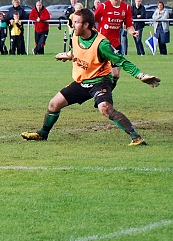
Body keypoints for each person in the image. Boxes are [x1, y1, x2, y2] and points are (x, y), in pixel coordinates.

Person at [21, 8, 160, 146]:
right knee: (54, 104)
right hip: (81, 82)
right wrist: (68, 55)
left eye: (76, 22)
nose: (73, 25)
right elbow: (76, 50)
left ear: (86, 25)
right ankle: (42, 134)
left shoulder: (102, 44)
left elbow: (121, 61)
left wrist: (141, 76)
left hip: (100, 81)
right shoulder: (75, 35)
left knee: (105, 108)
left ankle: (136, 137)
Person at [94, 0, 138, 87]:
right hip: (102, 44)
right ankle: (100, 92)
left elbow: (129, 26)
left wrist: (133, 32)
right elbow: (92, 21)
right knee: (101, 73)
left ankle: (105, 91)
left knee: (116, 75)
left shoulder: (126, 8)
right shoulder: (103, 6)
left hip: (115, 44)